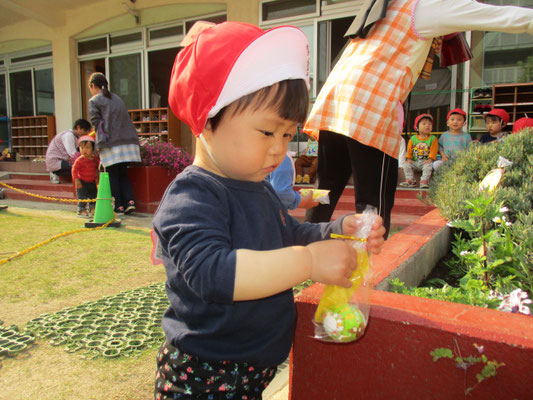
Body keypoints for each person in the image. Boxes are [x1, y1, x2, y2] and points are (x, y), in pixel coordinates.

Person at [152, 21, 386, 399]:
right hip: (203, 373)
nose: (280, 150)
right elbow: (213, 273)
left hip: (251, 369)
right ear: (206, 120)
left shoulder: (256, 187)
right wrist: (308, 263)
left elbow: (288, 234)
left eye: (288, 134)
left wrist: (340, 227)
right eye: (267, 132)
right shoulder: (192, 195)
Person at [302, 0, 533, 238]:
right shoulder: (426, 6)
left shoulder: (389, 4)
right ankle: (365, 267)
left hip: (335, 98)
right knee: (374, 198)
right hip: (370, 101)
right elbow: (501, 15)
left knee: (327, 184)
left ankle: (302, 247)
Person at [88, 72, 140, 215]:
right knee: (123, 173)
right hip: (128, 141)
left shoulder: (94, 100)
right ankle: (129, 201)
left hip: (110, 142)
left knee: (112, 174)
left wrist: (98, 143)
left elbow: (96, 123)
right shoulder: (117, 98)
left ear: (93, 86)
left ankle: (118, 205)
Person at [45, 119, 91, 183]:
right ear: (78, 127)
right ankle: (54, 173)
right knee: (80, 167)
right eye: (86, 130)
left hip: (64, 160)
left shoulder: (76, 137)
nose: (87, 133)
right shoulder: (68, 135)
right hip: (55, 161)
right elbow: (72, 154)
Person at [399, 114, 438, 188]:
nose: (427, 125)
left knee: (428, 166)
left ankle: (424, 181)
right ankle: (410, 180)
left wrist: (430, 159)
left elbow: (434, 151)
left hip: (426, 162)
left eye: (429, 124)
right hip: (415, 162)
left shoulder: (433, 139)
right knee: (406, 164)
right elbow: (409, 151)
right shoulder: (413, 139)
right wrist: (409, 159)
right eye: (424, 124)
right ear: (417, 127)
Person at [71, 135, 99, 218]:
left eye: (87, 148)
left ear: (92, 149)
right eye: (82, 148)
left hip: (92, 182)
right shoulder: (79, 160)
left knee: (93, 196)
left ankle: (92, 209)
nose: (84, 150)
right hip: (82, 182)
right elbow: (74, 170)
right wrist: (76, 180)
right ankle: (82, 210)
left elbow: (96, 169)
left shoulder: (94, 159)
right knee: (82, 197)